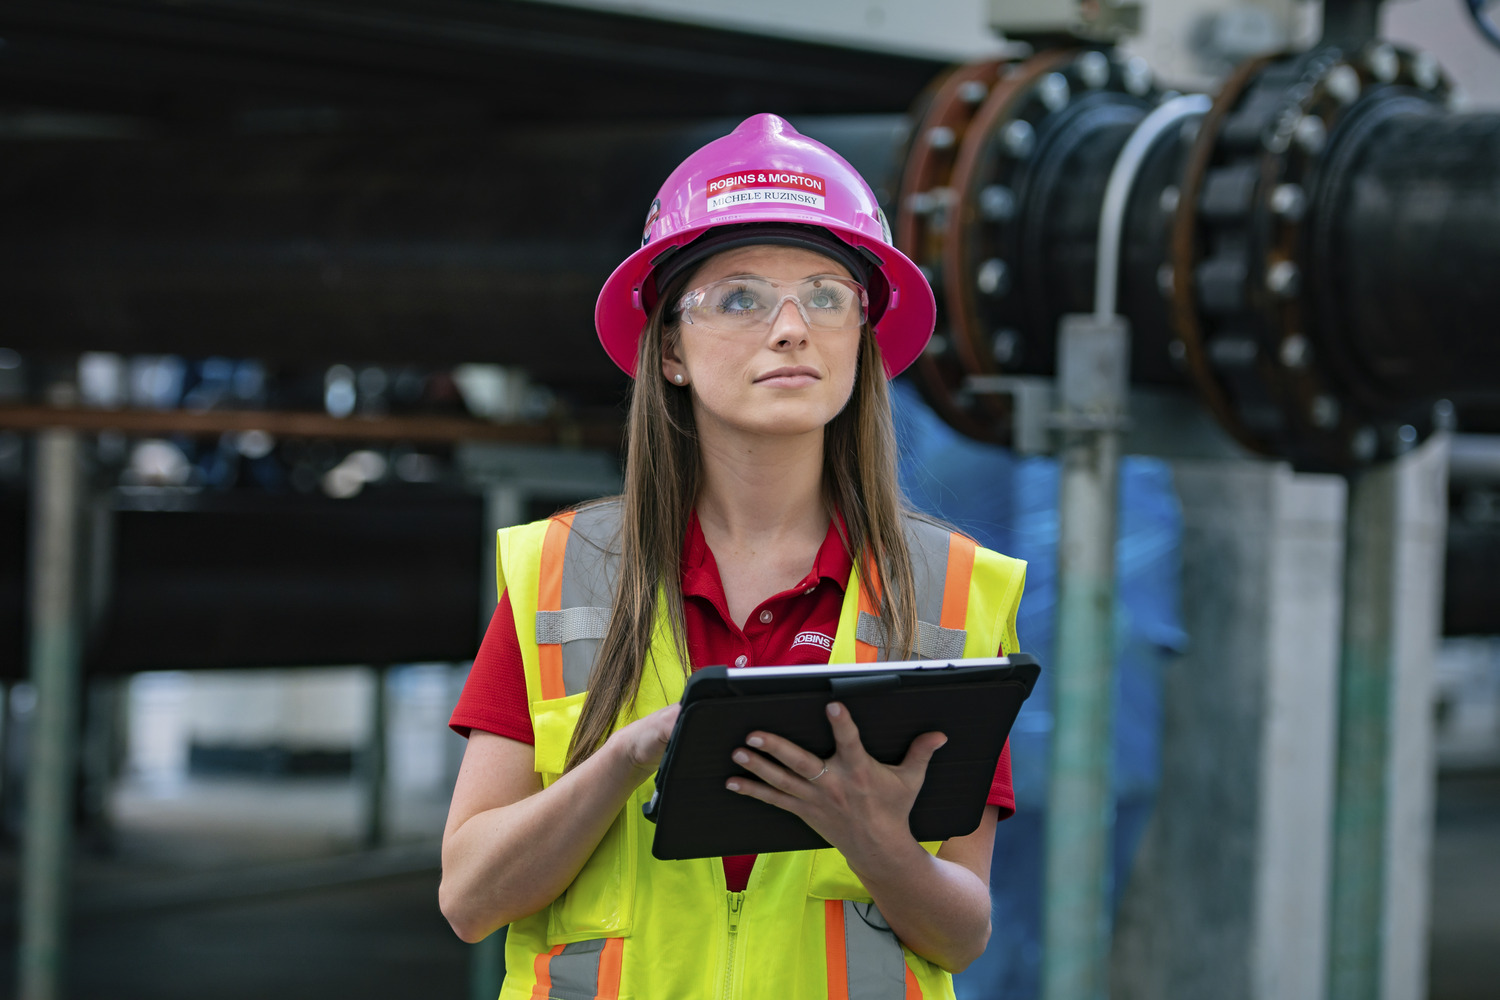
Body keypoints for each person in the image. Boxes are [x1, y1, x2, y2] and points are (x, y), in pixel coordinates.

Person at [440, 114, 1026, 1000]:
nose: (791, 329)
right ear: (669, 348)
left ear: (863, 340)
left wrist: (873, 836)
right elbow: (469, 899)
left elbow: (964, 932)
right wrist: (623, 760)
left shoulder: (951, 591)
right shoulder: (565, 570)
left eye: (828, 295)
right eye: (741, 297)